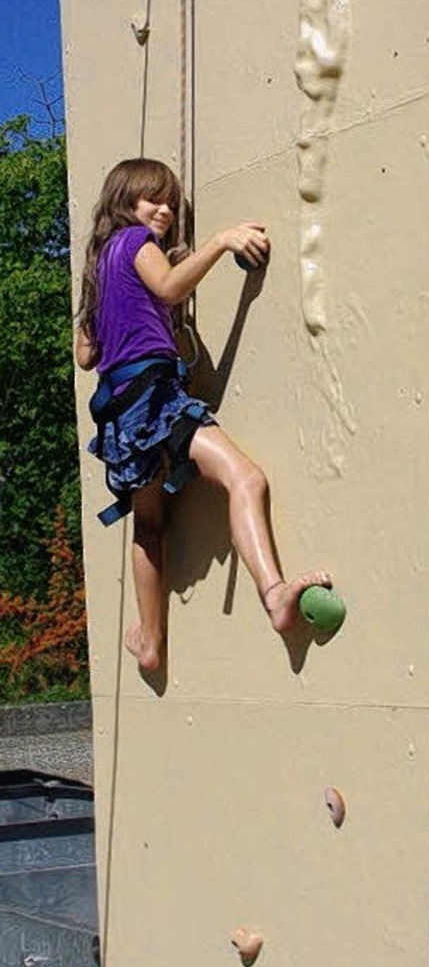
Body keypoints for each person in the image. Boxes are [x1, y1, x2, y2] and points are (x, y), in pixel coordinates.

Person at [76, 157, 331, 672]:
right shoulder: (132, 243)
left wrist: (137, 313)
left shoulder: (99, 267)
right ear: (124, 203)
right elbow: (171, 287)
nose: (166, 209)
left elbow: (85, 354)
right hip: (154, 397)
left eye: (171, 201)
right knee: (246, 479)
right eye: (153, 199)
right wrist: (220, 242)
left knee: (148, 524)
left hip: (120, 415)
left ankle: (150, 642)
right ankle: (276, 594)